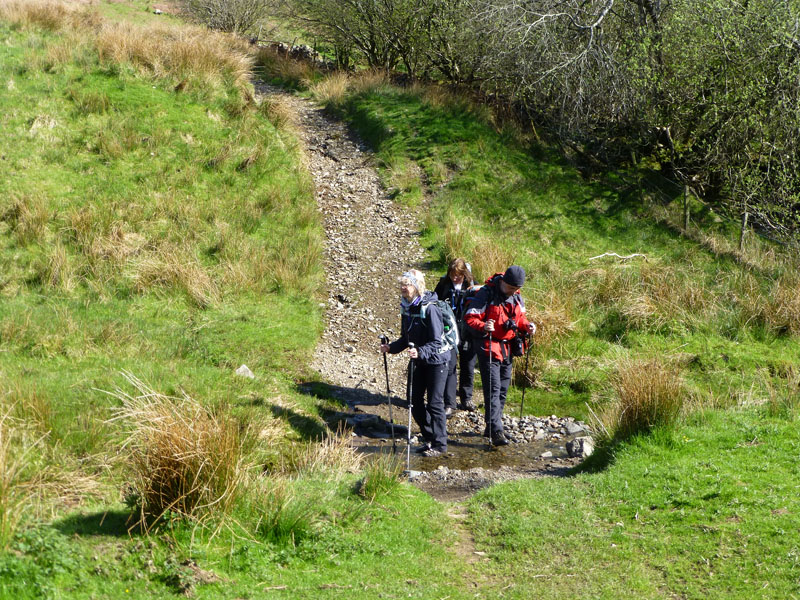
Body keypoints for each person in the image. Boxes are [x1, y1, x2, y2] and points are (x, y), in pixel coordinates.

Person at [381, 269, 449, 457]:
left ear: (417, 286)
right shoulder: (406, 307)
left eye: (407, 284)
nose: (403, 288)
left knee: (435, 403)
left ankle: (440, 444)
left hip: (437, 360)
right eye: (401, 284)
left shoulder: (430, 308)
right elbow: (406, 338)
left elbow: (437, 341)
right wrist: (391, 348)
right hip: (419, 359)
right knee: (413, 401)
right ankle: (430, 437)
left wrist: (420, 351)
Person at [464, 265, 535, 446]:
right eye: (510, 288)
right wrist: (484, 326)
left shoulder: (517, 296)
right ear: (503, 281)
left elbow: (520, 318)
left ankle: (493, 426)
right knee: (493, 389)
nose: (513, 291)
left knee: (503, 389)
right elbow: (470, 318)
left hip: (508, 348)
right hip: (488, 347)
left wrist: (527, 326)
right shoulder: (486, 294)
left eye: (516, 289)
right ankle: (496, 430)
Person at [433, 258, 478, 415]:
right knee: (450, 367)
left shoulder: (473, 286)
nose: (454, 278)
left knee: (468, 366)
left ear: (464, 274)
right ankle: (450, 403)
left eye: (458, 275)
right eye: (452, 275)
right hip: (449, 332)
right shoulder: (443, 285)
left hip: (468, 332)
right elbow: (435, 304)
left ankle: (466, 398)